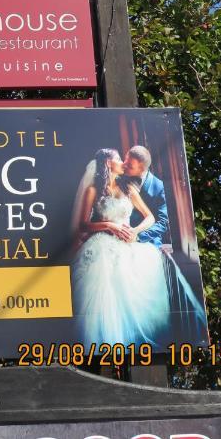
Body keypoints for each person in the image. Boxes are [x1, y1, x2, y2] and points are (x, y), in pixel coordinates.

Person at [71, 148, 170, 348]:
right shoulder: (93, 190)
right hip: (102, 243)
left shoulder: (128, 188)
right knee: (102, 289)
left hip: (127, 244)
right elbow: (82, 225)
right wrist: (109, 225)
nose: (123, 163)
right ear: (108, 163)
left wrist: (135, 231)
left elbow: (150, 217)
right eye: (119, 159)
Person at [123, 145, 171, 247]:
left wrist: (138, 236)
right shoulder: (119, 178)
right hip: (121, 236)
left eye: (130, 166)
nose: (124, 165)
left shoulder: (159, 187)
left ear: (142, 169)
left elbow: (162, 223)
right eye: (125, 160)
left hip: (147, 240)